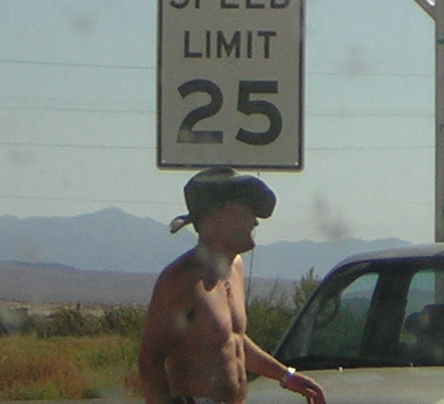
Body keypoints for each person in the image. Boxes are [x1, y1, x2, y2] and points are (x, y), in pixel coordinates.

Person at [138, 168, 326, 404]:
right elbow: (149, 361)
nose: (255, 221)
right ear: (226, 211)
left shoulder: (235, 267)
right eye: (249, 210)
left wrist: (286, 376)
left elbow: (230, 339)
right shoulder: (180, 280)